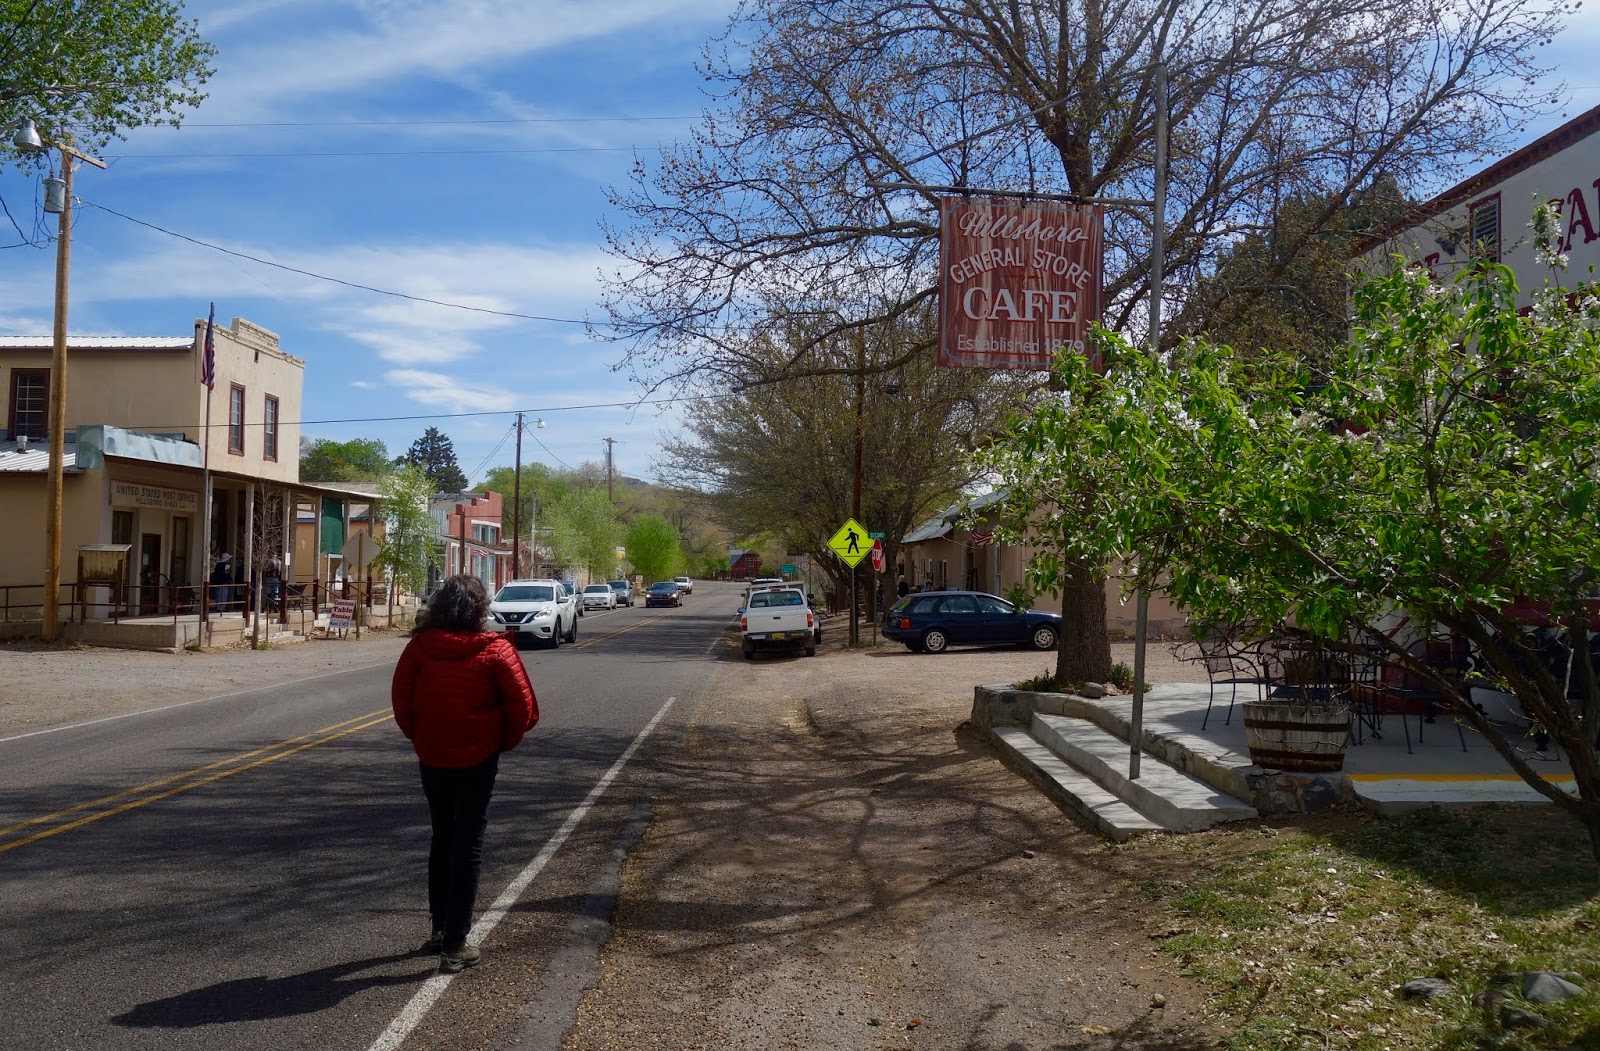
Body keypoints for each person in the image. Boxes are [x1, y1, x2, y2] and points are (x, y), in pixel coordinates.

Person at [391, 575, 538, 974]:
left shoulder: (420, 648)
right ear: (479, 609)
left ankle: (441, 929)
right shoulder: (495, 650)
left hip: (433, 757)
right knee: (468, 842)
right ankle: (455, 943)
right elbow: (523, 710)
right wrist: (499, 744)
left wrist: (421, 738)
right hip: (478, 760)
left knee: (442, 836)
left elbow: (401, 702)